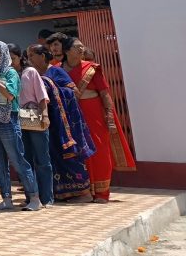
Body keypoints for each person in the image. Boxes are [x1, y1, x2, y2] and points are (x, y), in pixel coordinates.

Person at [64, 37, 135, 203]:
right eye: (77, 47)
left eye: (82, 46)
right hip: (73, 116)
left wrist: (109, 117)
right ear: (67, 51)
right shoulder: (59, 69)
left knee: (99, 151)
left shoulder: (92, 69)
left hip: (94, 114)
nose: (81, 49)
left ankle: (102, 193)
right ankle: (84, 192)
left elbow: (104, 93)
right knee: (78, 153)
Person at [0, 40, 41, 211]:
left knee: (17, 160)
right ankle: (6, 198)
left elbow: (10, 94)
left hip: (9, 120)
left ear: (2, 54)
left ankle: (34, 197)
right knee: (0, 164)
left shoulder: (10, 73)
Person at [43, 33, 96, 202]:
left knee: (71, 156)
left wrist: (53, 90)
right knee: (56, 157)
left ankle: (85, 194)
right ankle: (63, 193)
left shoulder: (55, 71)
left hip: (66, 121)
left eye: (57, 45)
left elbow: (74, 92)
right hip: (51, 121)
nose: (54, 48)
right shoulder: (38, 73)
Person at [23, 45, 55, 206]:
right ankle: (31, 195)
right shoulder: (8, 74)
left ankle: (47, 197)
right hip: (18, 119)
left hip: (35, 116)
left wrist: (45, 115)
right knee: (25, 159)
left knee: (42, 159)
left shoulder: (30, 72)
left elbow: (42, 96)